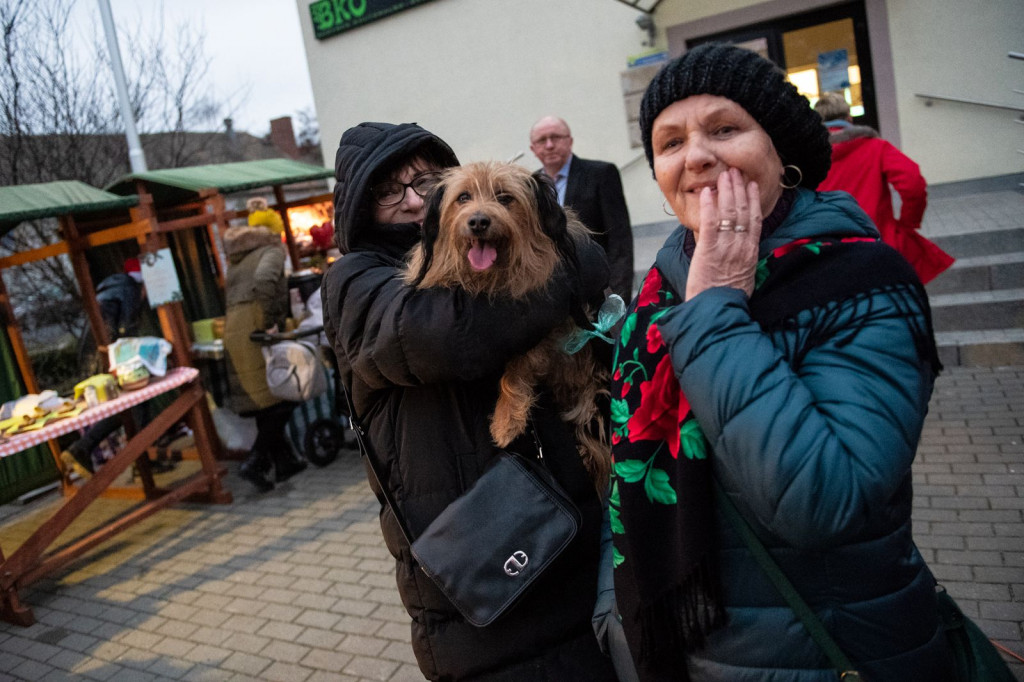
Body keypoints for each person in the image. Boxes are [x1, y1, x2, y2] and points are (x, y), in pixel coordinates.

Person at [606, 43, 953, 680]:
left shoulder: (862, 280)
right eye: (670, 141)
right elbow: (627, 480)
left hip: (828, 653)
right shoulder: (660, 289)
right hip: (692, 651)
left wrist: (715, 309)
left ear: (782, 153)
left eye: (725, 129)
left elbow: (824, 500)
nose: (697, 156)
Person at [321, 121, 618, 681]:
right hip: (483, 557)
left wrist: (556, 247)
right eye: (389, 191)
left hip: (565, 523)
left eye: (426, 181)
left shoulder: (489, 233)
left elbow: (588, 254)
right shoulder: (356, 280)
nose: (412, 200)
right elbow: (449, 334)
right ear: (360, 206)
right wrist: (556, 267)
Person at [814, 91, 954, 284]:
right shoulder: (875, 147)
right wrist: (908, 222)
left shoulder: (809, 158)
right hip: (879, 246)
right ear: (849, 118)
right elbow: (913, 183)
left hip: (829, 253)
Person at [221, 222, 306, 492]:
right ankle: (255, 461)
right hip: (256, 326)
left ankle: (284, 463)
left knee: (264, 401)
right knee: (285, 394)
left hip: (235, 328)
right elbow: (265, 280)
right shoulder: (271, 251)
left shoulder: (238, 258)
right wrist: (271, 320)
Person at [61, 257, 151, 479]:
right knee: (135, 404)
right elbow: (125, 330)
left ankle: (140, 460)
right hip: (108, 358)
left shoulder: (111, 287)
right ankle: (85, 447)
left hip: (93, 357)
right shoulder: (128, 290)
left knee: (130, 406)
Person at [530, 115, 635, 301]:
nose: (549, 145)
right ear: (533, 149)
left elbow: (620, 239)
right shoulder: (531, 186)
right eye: (541, 140)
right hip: (553, 295)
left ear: (569, 141)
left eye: (556, 137)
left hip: (598, 286)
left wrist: (619, 296)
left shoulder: (601, 174)